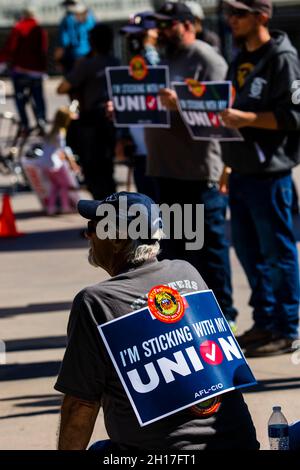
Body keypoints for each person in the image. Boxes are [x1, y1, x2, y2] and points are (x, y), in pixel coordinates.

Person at [54, 191, 259, 450]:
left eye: (93, 227)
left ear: (117, 239)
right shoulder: (187, 272)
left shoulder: (97, 301)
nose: (87, 235)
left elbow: (80, 404)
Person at [143, 2, 238, 328]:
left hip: (198, 172)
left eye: (167, 24)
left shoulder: (207, 59)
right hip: (166, 170)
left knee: (208, 251)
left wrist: (179, 103)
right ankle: (189, 318)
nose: (160, 31)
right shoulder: (164, 58)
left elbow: (218, 114)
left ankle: (225, 318)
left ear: (187, 24)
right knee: (177, 251)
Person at [219, 0, 300, 356]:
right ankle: (265, 322)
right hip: (241, 169)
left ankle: (288, 327)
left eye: (239, 14)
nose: (231, 20)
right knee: (249, 251)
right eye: (229, 13)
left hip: (270, 174)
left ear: (261, 17)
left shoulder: (282, 57)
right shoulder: (239, 57)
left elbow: (294, 115)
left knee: (277, 253)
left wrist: (248, 119)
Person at [57, 23, 119, 200]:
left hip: (92, 122)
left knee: (93, 169)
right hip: (111, 121)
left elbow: (62, 88)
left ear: (92, 42)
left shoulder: (88, 64)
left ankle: (103, 212)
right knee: (107, 169)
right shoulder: (116, 62)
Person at [117, 11, 160, 201]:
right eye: (130, 36)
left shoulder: (155, 58)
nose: (132, 40)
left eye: (138, 35)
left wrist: (149, 49)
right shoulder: (133, 61)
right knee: (146, 207)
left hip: (159, 151)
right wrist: (123, 134)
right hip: (139, 150)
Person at [0, 7, 47, 136]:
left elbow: (11, 48)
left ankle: (25, 125)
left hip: (20, 69)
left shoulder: (18, 28)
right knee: (38, 98)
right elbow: (43, 49)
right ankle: (41, 121)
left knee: (20, 98)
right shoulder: (39, 29)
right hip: (36, 71)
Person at [37, 107, 80, 215]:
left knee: (55, 186)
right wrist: (72, 163)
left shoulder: (51, 132)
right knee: (64, 185)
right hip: (54, 165)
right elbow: (63, 149)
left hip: (45, 164)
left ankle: (51, 207)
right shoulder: (60, 133)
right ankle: (65, 206)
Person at [55, 1, 96, 74]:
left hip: (74, 57)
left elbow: (64, 42)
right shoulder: (91, 17)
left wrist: (59, 61)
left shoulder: (67, 19)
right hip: (89, 55)